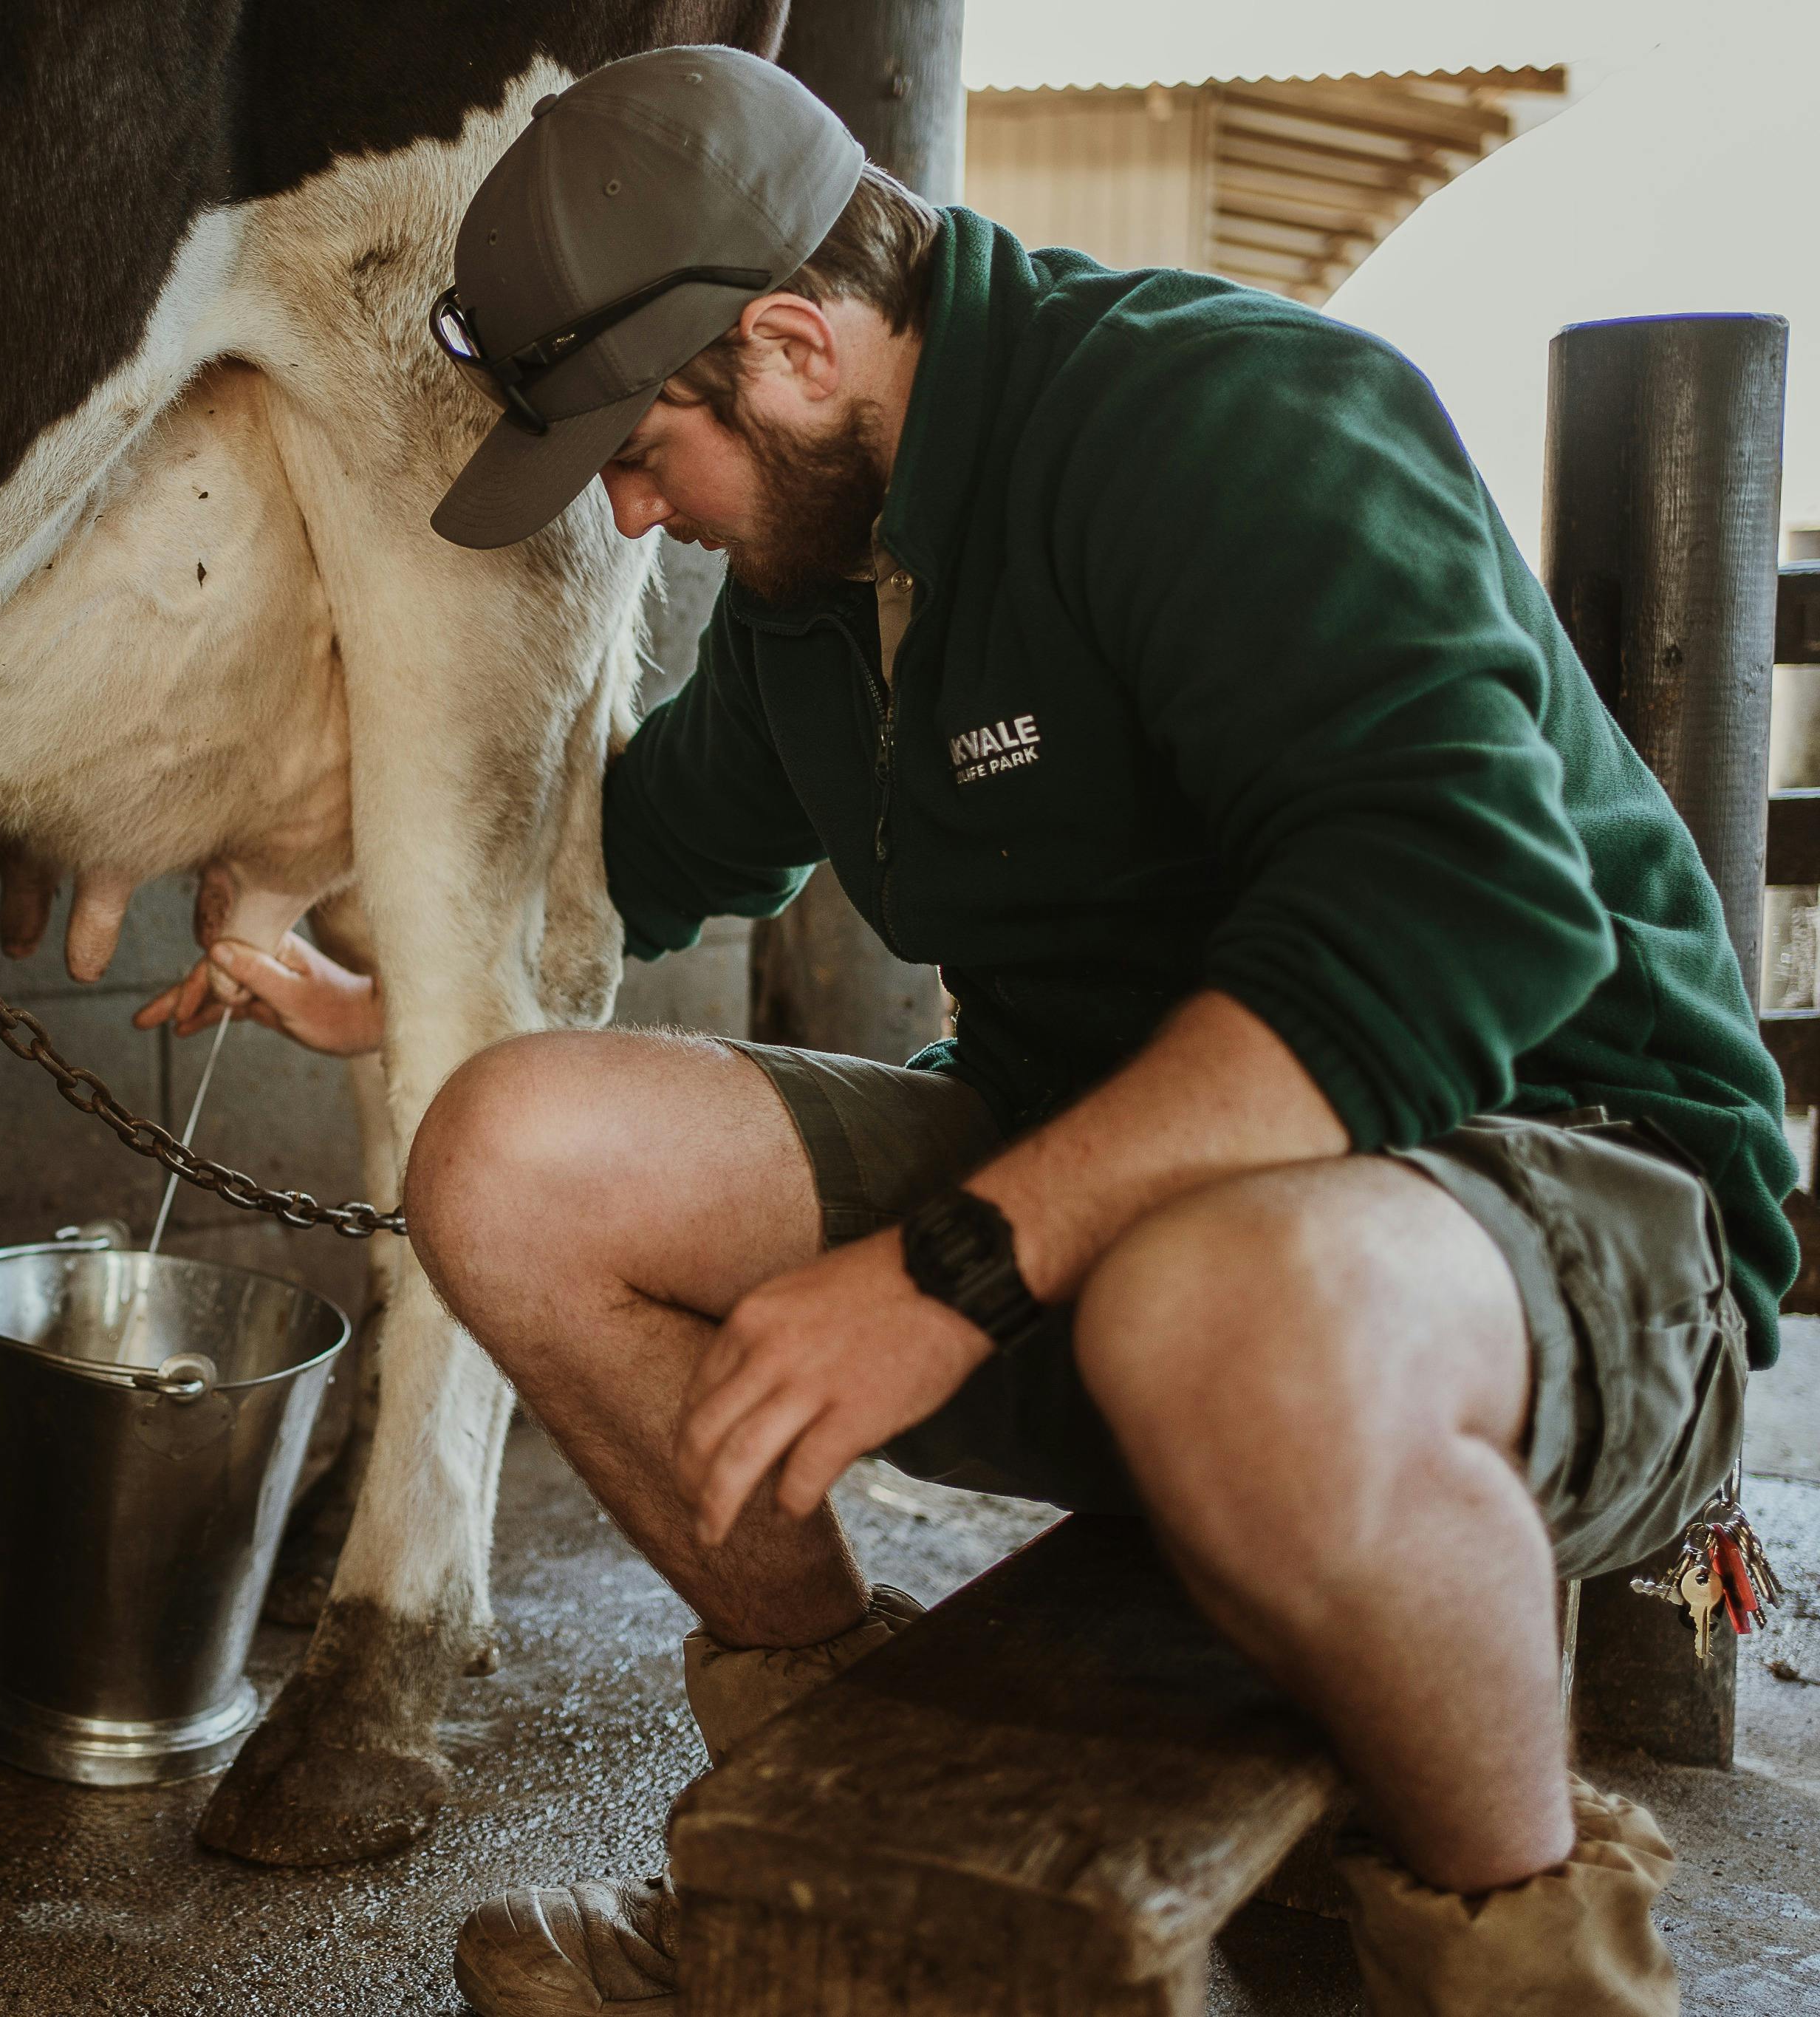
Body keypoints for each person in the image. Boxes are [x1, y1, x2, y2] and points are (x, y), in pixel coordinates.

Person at [137, 42, 1788, 2017]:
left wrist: (954, 1266)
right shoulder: (816, 589)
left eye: (637, 449)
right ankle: (851, 1876)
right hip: (1120, 1219)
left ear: (791, 343)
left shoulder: (1220, 415)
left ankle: (1526, 1953)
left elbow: (1472, 907)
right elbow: (630, 856)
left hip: (1550, 1204)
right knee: (501, 1157)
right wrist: (355, 963)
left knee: (1216, 1306)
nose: (635, 516)